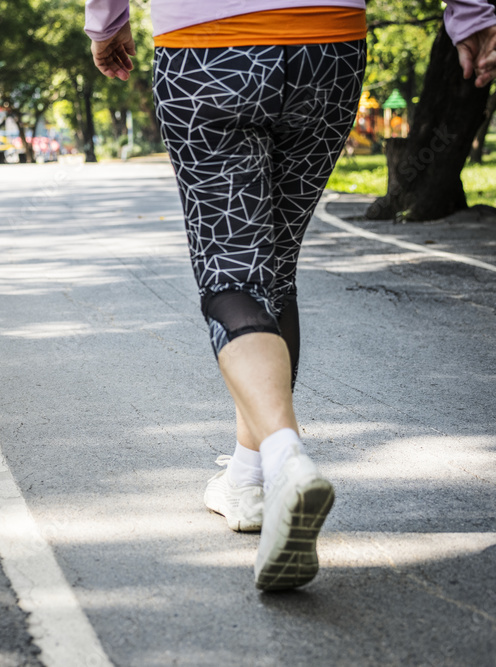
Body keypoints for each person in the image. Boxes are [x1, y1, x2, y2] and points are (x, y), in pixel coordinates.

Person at [84, 0, 496, 591]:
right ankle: (248, 481)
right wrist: (471, 14)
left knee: (233, 273)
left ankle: (284, 458)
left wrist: (107, 21)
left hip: (207, 52)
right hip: (327, 50)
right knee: (274, 265)